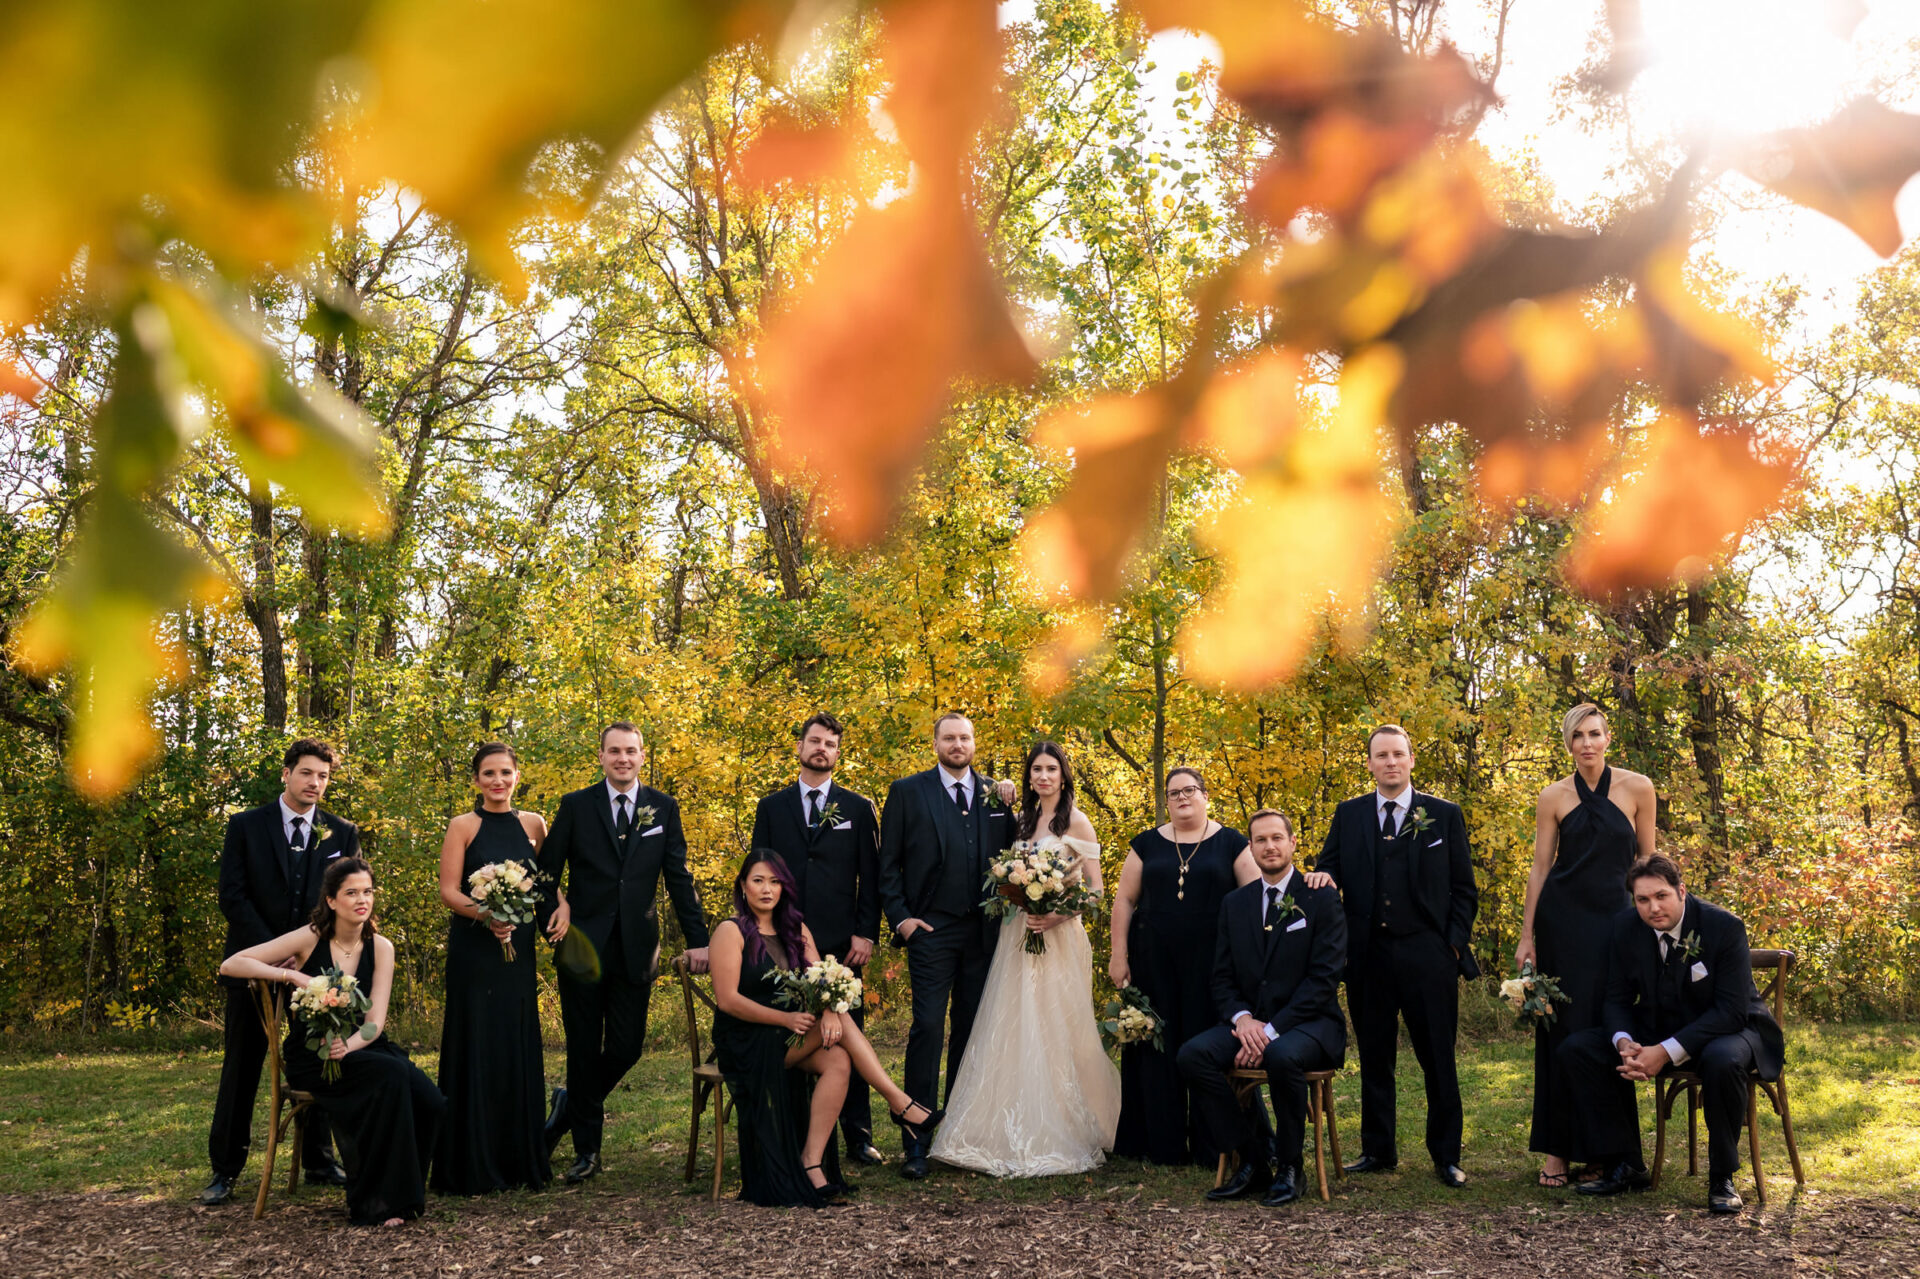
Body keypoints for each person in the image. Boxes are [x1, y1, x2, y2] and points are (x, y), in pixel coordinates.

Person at [218, 857, 446, 1226]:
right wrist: (290, 977)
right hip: (314, 1054)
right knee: (390, 1077)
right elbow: (232, 964)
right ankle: (378, 1203)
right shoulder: (310, 937)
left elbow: (375, 1022)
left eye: (368, 892)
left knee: (430, 1101)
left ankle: (405, 1193)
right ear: (331, 901)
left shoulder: (382, 947)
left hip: (363, 1046)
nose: (362, 900)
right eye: (351, 892)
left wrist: (350, 1046)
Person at [930, 742, 1121, 1176]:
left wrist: (1055, 915)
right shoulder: (1021, 820)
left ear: (1063, 774)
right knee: (1012, 1023)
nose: (1043, 777)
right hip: (1017, 933)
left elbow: (1096, 891)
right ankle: (1001, 1126)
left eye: (1051, 769)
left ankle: (1059, 1127)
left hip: (1058, 936)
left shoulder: (1078, 821)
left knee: (1054, 1026)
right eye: (1036, 769)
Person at [709, 850, 939, 1207]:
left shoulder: (796, 930)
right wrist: (786, 1018)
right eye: (758, 880)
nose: (767, 889)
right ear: (743, 886)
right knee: (841, 1025)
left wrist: (829, 1009)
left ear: (785, 888)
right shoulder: (730, 930)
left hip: (790, 1034)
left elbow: (823, 981)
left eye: (775, 882)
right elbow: (728, 1001)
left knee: (839, 1061)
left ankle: (811, 1162)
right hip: (746, 1038)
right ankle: (900, 1103)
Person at [535, 721, 711, 1184]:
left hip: (637, 949)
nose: (623, 759)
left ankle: (566, 1108)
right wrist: (553, 917)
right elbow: (546, 875)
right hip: (580, 948)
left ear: (642, 755)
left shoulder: (663, 808)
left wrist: (698, 940)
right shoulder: (575, 806)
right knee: (581, 1046)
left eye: (631, 751)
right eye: (614, 751)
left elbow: (679, 877)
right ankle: (587, 1152)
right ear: (601, 756)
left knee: (626, 1047)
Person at [1564, 854, 1785, 1214]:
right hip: (1661, 1025)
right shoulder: (1625, 928)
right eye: (1643, 900)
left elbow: (1730, 1011)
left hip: (1732, 1029)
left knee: (1721, 1060)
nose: (1653, 908)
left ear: (1681, 891)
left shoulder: (1723, 926)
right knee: (1579, 1049)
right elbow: (1617, 997)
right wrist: (1624, 1043)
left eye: (1662, 896)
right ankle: (1626, 1163)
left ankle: (1722, 1177)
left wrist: (1664, 1052)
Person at [1315, 723, 1479, 1188]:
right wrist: (1321, 886)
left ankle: (1446, 1155)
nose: (1390, 762)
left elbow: (1464, 889)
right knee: (1375, 1056)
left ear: (1411, 761)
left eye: (1398, 754)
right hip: (1368, 957)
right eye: (1381, 755)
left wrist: (1450, 944)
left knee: (1438, 1058)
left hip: (1430, 955)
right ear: (1369, 763)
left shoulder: (1443, 815)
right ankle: (1378, 1150)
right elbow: (1328, 872)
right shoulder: (1348, 815)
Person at [203, 738, 360, 1206]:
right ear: (286, 774)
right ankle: (225, 1170)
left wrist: (306, 949)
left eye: (324, 776)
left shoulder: (341, 832)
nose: (316, 783)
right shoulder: (246, 825)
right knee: (242, 1065)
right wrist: (272, 954)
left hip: (313, 972)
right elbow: (232, 895)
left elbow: (347, 895)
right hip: (253, 967)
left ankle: (318, 1159)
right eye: (308, 773)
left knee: (317, 1062)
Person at [1178, 809, 1346, 1207]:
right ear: (1250, 848)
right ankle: (1254, 1158)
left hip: (1311, 1024)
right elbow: (1221, 978)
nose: (1269, 846)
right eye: (1260, 840)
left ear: (1292, 843)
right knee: (1193, 1055)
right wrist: (1243, 1020)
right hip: (1250, 1021)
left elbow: (1324, 980)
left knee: (1282, 1055)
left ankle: (1292, 1167)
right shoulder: (1235, 903)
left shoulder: (1320, 896)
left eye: (1276, 838)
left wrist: (1269, 1032)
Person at [877, 711, 1020, 1180]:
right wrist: (902, 921)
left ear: (974, 743)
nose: (958, 744)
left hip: (984, 934)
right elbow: (888, 865)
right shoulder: (907, 792)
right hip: (931, 931)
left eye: (965, 738)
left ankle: (957, 1136)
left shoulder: (994, 795)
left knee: (970, 1033)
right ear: (935, 742)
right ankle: (916, 1139)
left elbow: (1015, 856)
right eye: (949, 738)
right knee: (927, 1028)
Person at [1517, 704, 1656, 1188]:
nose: (1587, 744)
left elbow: (1648, 862)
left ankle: (1608, 1151)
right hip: (1563, 927)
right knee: (1559, 1033)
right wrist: (1527, 934)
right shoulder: (1552, 796)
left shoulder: (1637, 788)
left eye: (1594, 734)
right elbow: (1540, 868)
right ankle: (1557, 1150)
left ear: (1607, 737)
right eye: (1577, 737)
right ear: (1568, 744)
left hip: (1618, 927)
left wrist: (1653, 923)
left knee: (1606, 1035)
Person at [749, 712, 886, 1166]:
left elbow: (873, 876)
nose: (821, 748)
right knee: (795, 1030)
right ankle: (799, 1132)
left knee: (849, 1031)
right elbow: (759, 873)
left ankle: (858, 1135)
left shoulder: (858, 806)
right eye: (814, 741)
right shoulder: (772, 807)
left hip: (842, 942)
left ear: (838, 752)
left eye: (830, 743)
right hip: (781, 939)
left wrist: (866, 932)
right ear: (800, 748)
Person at [1108, 766, 1261, 1166]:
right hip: (1152, 963)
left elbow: (1257, 897)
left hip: (1214, 965)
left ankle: (1217, 1144)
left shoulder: (1232, 843)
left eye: (1190, 790)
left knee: (1204, 1046)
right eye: (1174, 792)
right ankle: (1162, 1144)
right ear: (1166, 799)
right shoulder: (1145, 843)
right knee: (1156, 1048)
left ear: (1206, 796)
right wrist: (1118, 954)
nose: (1182, 797)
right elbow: (1124, 900)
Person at [432, 742, 563, 1195]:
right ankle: (472, 1158)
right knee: (477, 1039)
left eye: (505, 773)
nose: (497, 781)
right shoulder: (462, 826)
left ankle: (518, 1158)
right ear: (476, 781)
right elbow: (449, 890)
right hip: (474, 950)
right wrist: (487, 915)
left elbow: (546, 882)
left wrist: (561, 906)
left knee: (514, 1037)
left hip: (518, 951)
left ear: (517, 776)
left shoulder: (534, 824)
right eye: (488, 774)